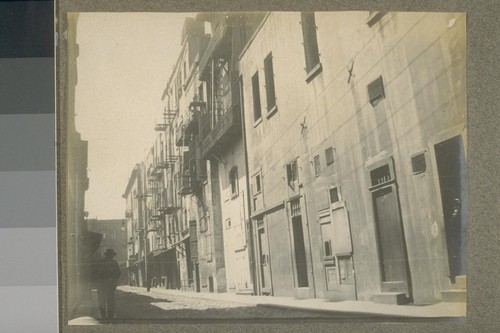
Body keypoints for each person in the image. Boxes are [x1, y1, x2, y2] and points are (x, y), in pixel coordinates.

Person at [92, 249, 121, 320]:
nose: (111, 257)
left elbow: (118, 273)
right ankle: (106, 316)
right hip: (104, 285)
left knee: (107, 301)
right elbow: (96, 273)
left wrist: (112, 278)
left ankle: (107, 316)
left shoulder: (113, 263)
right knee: (105, 301)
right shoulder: (107, 263)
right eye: (110, 255)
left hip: (107, 286)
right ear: (108, 255)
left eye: (111, 255)